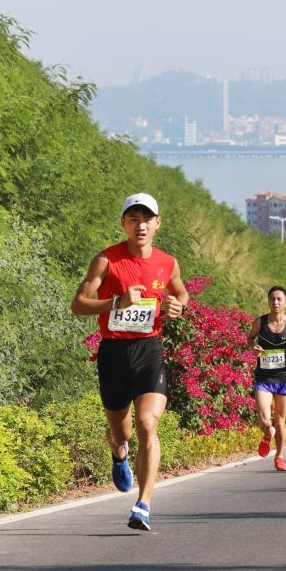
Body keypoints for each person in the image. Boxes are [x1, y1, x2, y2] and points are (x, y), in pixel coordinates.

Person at [71, 193, 189, 531]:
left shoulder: (168, 262)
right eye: (133, 218)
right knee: (120, 432)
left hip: (149, 350)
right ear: (124, 223)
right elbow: (78, 305)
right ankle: (119, 452)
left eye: (146, 218)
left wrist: (179, 305)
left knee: (147, 424)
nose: (140, 225)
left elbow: (180, 292)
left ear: (157, 223)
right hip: (113, 353)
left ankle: (143, 504)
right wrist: (116, 302)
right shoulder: (106, 260)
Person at [247, 286, 286, 471]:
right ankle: (267, 434)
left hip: (284, 378)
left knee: (280, 421)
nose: (275, 302)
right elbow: (250, 338)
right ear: (268, 301)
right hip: (264, 378)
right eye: (272, 299)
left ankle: (279, 457)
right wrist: (254, 347)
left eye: (279, 299)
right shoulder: (260, 322)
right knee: (264, 419)